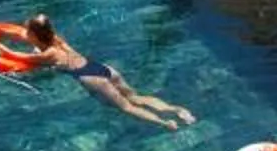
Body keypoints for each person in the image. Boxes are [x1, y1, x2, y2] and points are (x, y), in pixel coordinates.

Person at [14, 12, 193, 131]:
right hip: (101, 68)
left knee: (127, 107)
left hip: (92, 79)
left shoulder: (48, 55)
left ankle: (165, 123)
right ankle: (176, 110)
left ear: (35, 36)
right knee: (136, 97)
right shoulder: (57, 40)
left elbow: (14, 56)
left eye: (27, 32)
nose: (25, 34)